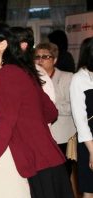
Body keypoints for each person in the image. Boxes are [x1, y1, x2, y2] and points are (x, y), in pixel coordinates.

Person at [0, 20, 74, 198]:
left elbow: (6, 126)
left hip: (39, 162)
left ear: (3, 44)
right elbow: (51, 112)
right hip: (48, 160)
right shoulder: (22, 70)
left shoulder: (7, 74)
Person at [35, 42, 76, 176]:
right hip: (40, 135)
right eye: (37, 57)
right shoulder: (32, 78)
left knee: (63, 175)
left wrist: (49, 106)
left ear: (55, 60)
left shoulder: (67, 77)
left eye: (45, 57)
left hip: (62, 136)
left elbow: (74, 107)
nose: (40, 61)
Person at [70, 37, 93, 198]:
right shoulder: (79, 79)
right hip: (89, 140)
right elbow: (80, 120)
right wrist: (92, 151)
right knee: (90, 189)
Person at [10, 26, 55, 102]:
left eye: (9, 42)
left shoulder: (37, 72)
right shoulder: (9, 69)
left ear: (23, 45)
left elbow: (50, 104)